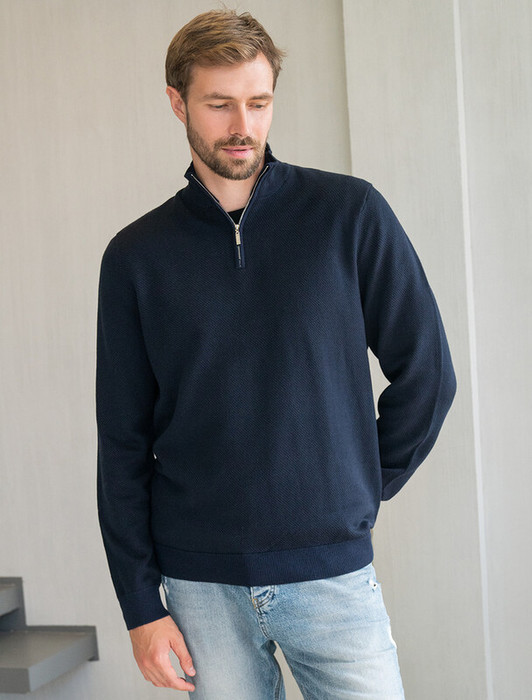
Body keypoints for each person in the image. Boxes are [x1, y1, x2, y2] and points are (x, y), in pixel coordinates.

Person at [96, 9, 456, 699]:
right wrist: (141, 605)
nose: (243, 125)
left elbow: (428, 373)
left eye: (258, 102)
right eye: (219, 104)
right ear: (178, 103)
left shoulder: (349, 215)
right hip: (199, 586)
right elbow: (121, 442)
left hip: (331, 576)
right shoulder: (136, 257)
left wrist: (353, 485)